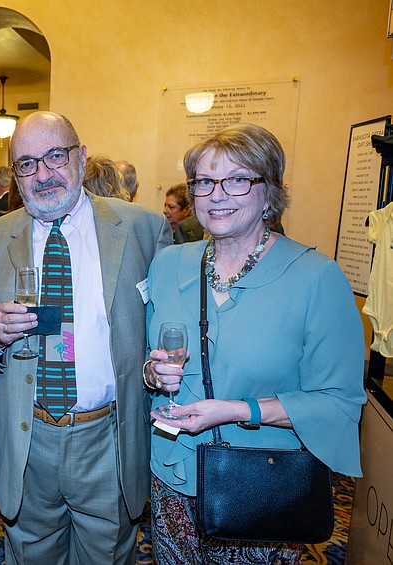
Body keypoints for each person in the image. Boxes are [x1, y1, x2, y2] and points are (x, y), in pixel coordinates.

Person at [145, 123, 365, 564]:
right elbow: (150, 364)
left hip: (263, 485)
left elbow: (338, 404)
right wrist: (152, 372)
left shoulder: (316, 278)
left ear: (270, 192)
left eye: (238, 179)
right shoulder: (168, 264)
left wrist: (237, 410)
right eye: (205, 182)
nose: (217, 194)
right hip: (172, 477)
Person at [0, 111, 171, 564]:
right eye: (26, 164)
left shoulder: (142, 229)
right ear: (15, 175)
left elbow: (165, 330)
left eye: (55, 156)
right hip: (27, 438)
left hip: (108, 436)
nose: (42, 174)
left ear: (80, 157)